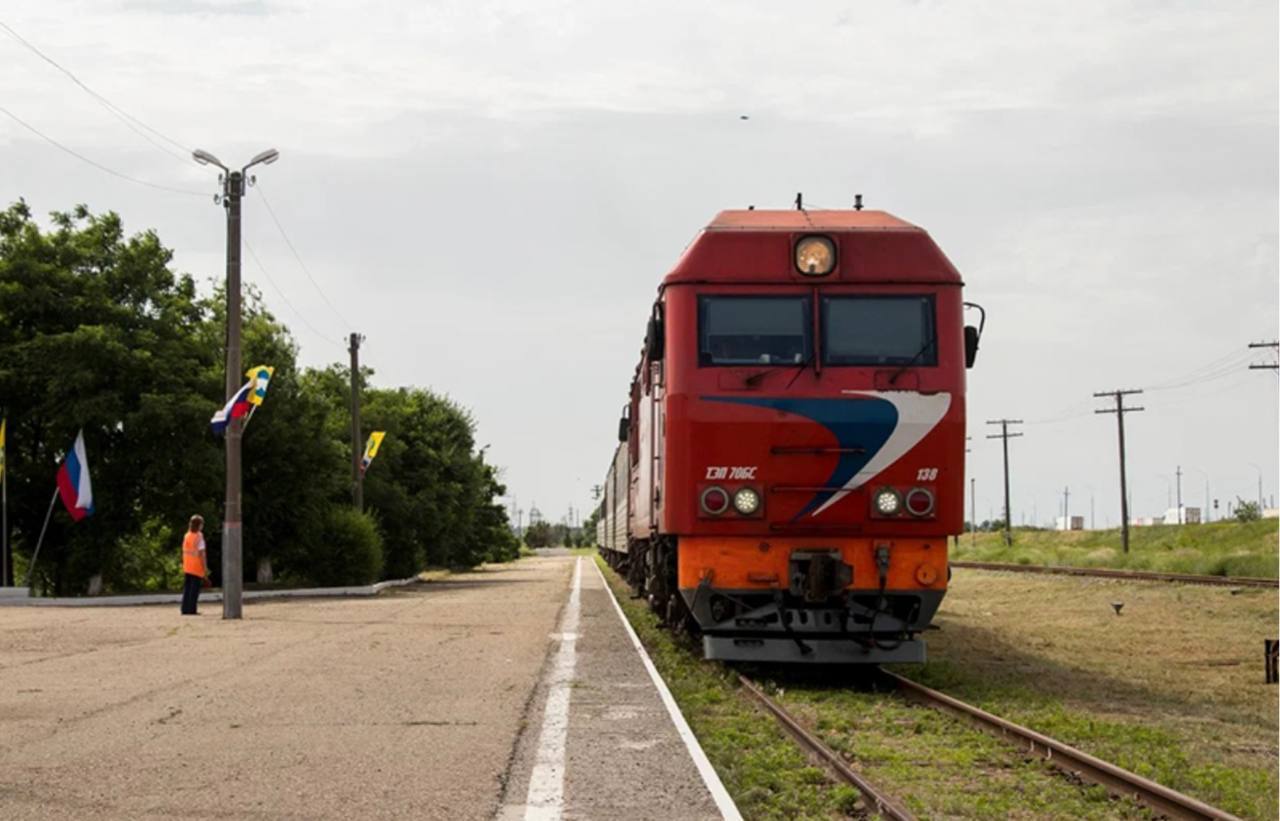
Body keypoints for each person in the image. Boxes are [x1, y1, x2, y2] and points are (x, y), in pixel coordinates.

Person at [180, 515, 208, 615]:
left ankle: (184, 609)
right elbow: (202, 553)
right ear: (199, 525)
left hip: (187, 565)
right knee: (194, 590)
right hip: (196, 566)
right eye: (202, 524)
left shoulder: (187, 535)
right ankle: (192, 609)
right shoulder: (199, 536)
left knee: (187, 588)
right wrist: (205, 567)